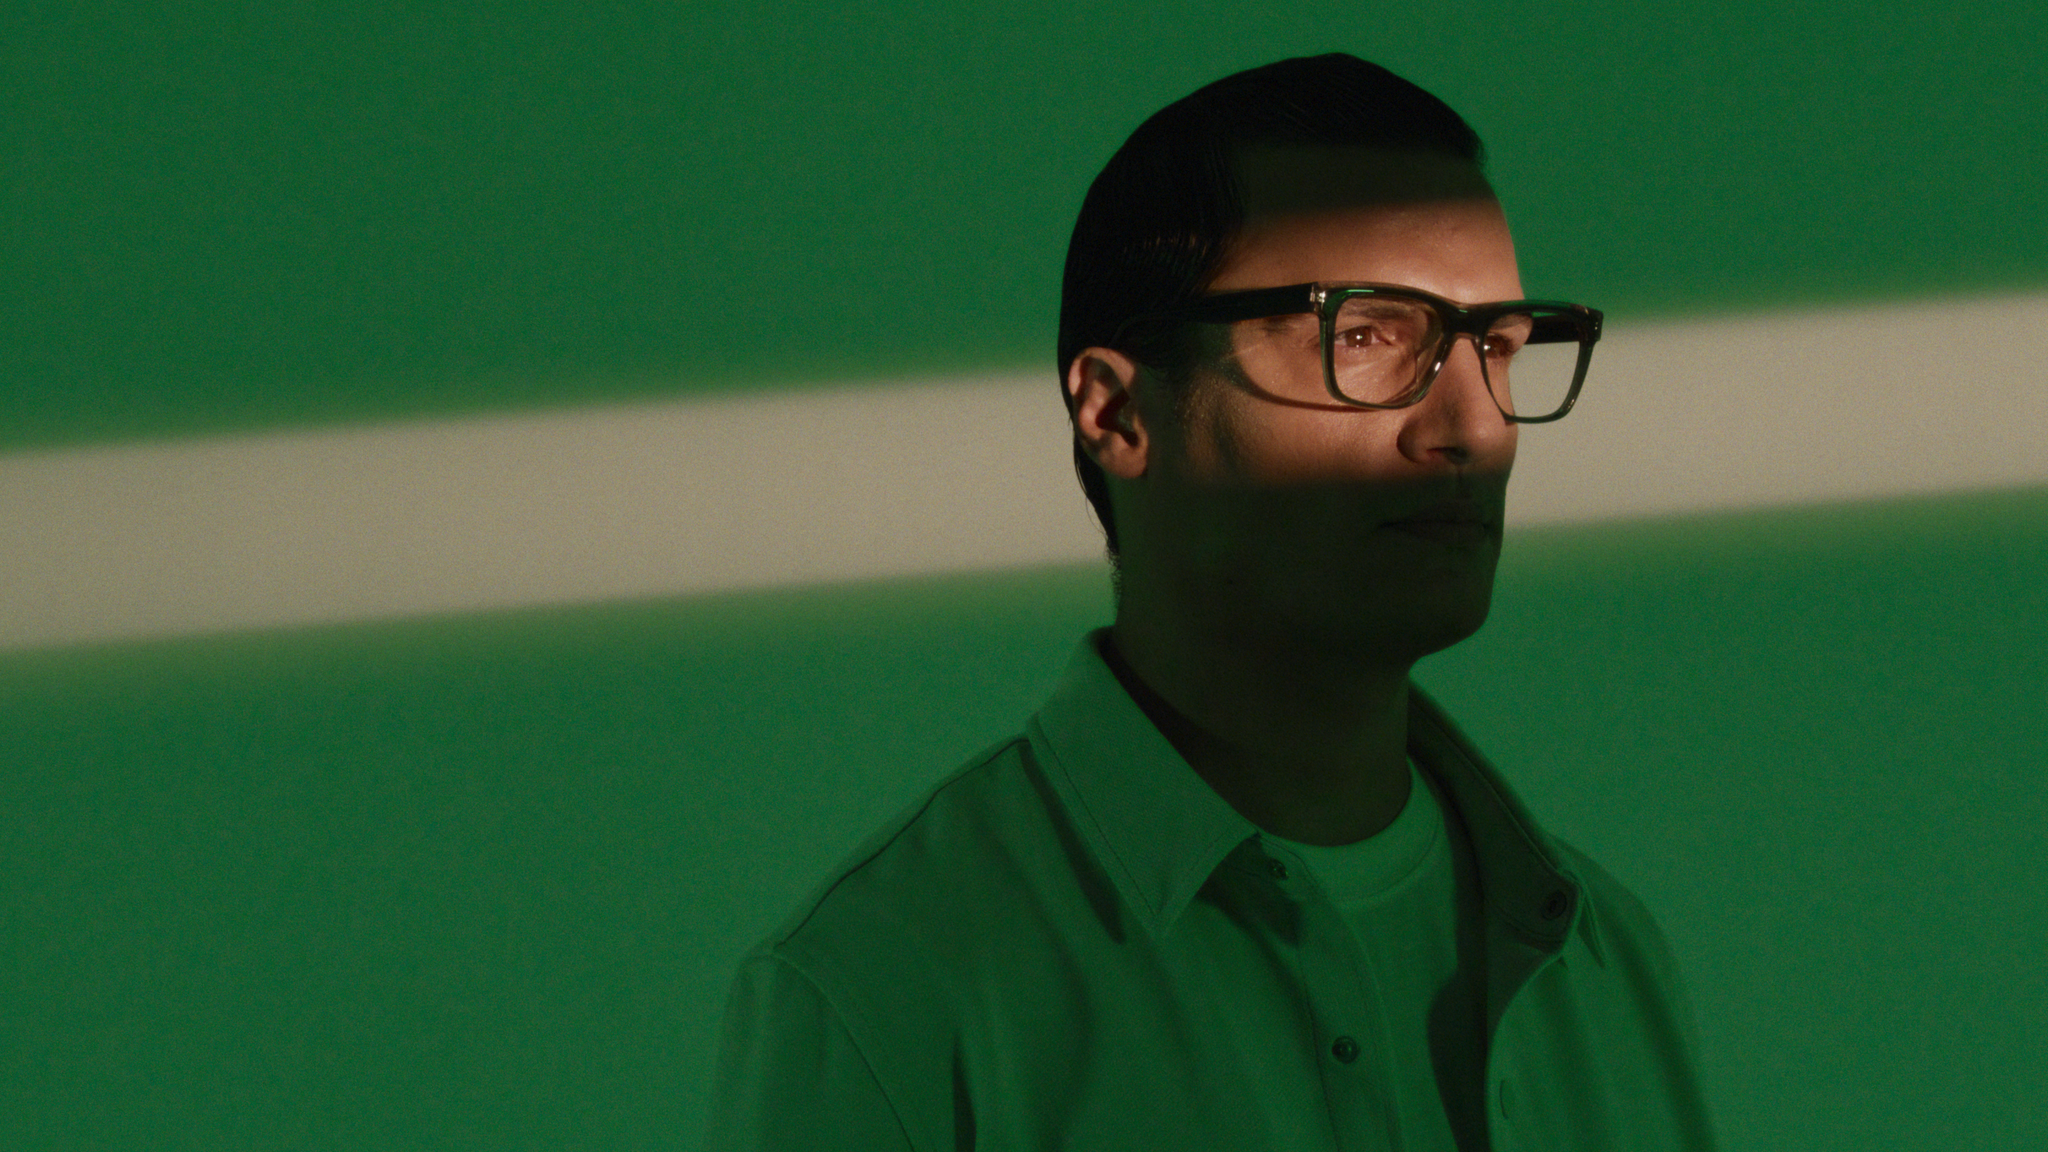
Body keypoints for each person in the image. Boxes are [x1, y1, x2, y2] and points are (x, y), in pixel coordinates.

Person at [704, 53, 1717, 1151]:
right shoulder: (887, 989)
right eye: (1368, 336)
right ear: (1116, 413)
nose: (1472, 427)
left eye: (1499, 347)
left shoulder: (1604, 965)